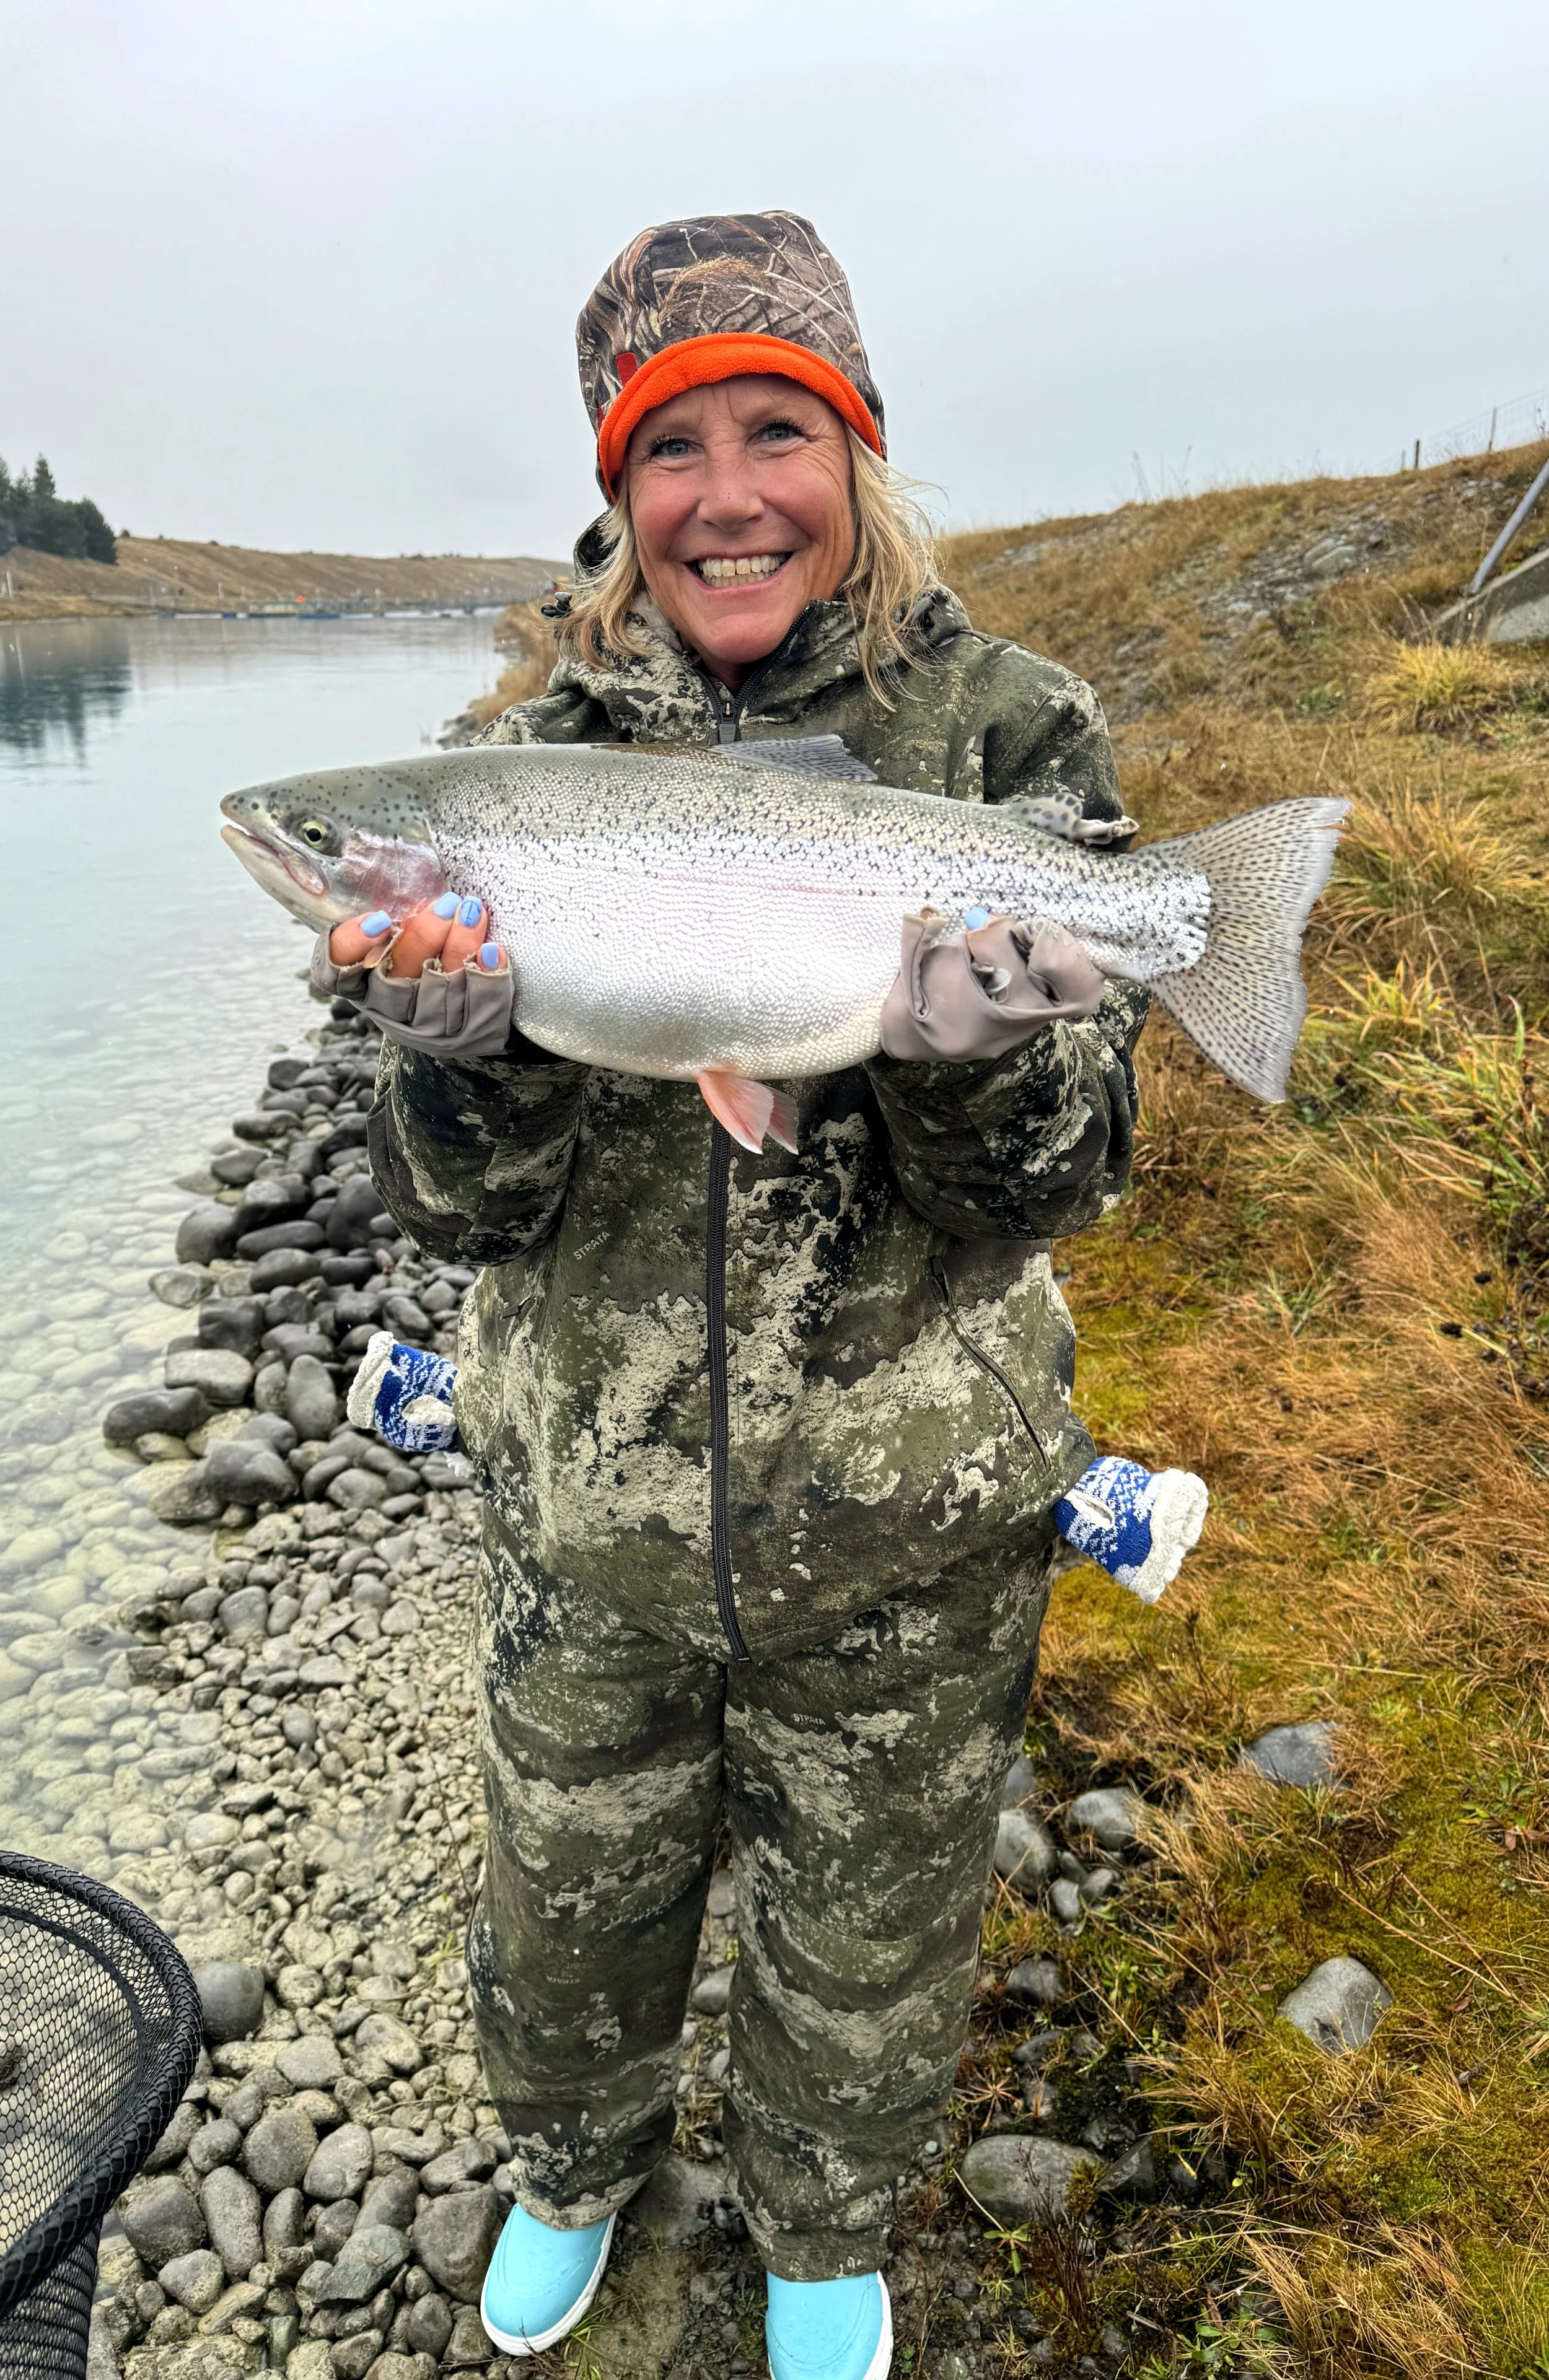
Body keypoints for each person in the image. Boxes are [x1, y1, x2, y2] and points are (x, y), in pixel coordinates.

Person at [318, 212, 1151, 2379]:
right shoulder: (515, 766)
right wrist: (466, 1056)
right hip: (586, 1507)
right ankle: (572, 2165)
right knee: (564, 1886)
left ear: (856, 450)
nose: (727, 494)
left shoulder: (1008, 729)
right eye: (667, 451)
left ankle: (822, 2231)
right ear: (617, 498)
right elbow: (460, 1217)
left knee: (870, 1921)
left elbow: (1066, 1185)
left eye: (778, 428)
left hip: (911, 1513)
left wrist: (990, 1066)